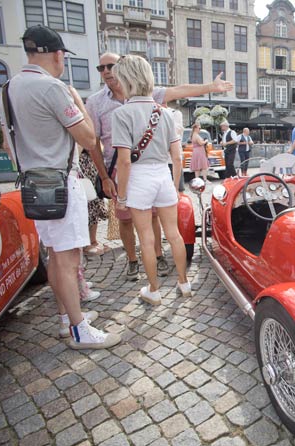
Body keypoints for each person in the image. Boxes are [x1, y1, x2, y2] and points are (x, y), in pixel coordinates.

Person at [0, 25, 120, 349]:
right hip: (59, 180)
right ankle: (80, 330)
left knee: (55, 255)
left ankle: (68, 317)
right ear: (57, 54)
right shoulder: (52, 88)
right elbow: (88, 137)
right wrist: (79, 104)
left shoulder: (8, 88)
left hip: (32, 182)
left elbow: (8, 145)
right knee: (68, 259)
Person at [86, 52, 233, 281]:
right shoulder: (96, 102)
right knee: (126, 220)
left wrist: (211, 87)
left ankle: (155, 272)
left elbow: (180, 89)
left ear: (124, 71)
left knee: (150, 223)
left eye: (110, 66)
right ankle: (137, 263)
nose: (106, 71)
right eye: (101, 68)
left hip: (136, 171)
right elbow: (94, 142)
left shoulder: (144, 94)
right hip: (120, 169)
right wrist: (104, 176)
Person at [111, 55, 191, 305]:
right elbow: (177, 158)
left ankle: (154, 291)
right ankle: (183, 283)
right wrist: (176, 185)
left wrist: (121, 197)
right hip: (163, 175)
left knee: (145, 237)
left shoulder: (122, 114)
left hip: (139, 178)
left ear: (126, 80)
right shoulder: (165, 114)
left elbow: (124, 162)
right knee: (174, 234)